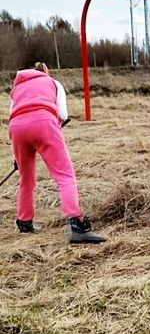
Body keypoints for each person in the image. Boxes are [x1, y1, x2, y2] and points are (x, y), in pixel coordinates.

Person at [8, 62, 106, 244]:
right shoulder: (53, 83)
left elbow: (12, 114)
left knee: (26, 179)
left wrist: (17, 156)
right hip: (44, 123)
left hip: (17, 129)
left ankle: (24, 223)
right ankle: (78, 226)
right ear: (45, 72)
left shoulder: (17, 88)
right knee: (65, 176)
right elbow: (62, 113)